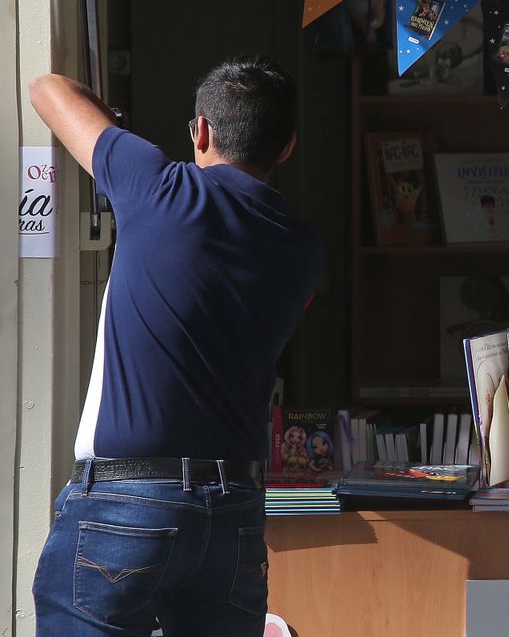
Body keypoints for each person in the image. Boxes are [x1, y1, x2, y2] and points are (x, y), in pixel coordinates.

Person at [29, 56, 323, 636]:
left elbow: (48, 90)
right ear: (286, 147)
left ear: (202, 130)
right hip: (236, 508)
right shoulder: (304, 248)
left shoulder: (156, 183)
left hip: (126, 499)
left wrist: (115, 125)